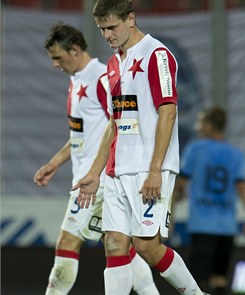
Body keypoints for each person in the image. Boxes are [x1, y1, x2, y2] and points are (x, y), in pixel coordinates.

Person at [72, 1, 205, 294]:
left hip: (148, 167)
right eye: (101, 29)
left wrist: (156, 170)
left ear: (130, 19)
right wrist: (95, 172)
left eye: (111, 27)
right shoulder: (113, 63)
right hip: (117, 169)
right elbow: (114, 122)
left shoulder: (157, 55)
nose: (106, 35)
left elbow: (168, 111)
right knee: (114, 242)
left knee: (147, 246)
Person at [34, 23, 158, 294]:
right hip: (90, 179)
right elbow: (83, 135)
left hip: (97, 182)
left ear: (75, 50)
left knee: (67, 243)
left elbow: (120, 126)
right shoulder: (76, 79)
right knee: (119, 247)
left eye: (58, 57)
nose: (55, 64)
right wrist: (55, 162)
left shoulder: (101, 78)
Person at [174, 107, 245, 295]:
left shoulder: (195, 149)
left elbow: (181, 183)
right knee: (220, 278)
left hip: (202, 225)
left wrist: (177, 196)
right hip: (227, 226)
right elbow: (242, 186)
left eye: (201, 122)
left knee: (197, 281)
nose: (197, 127)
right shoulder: (236, 154)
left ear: (210, 125)